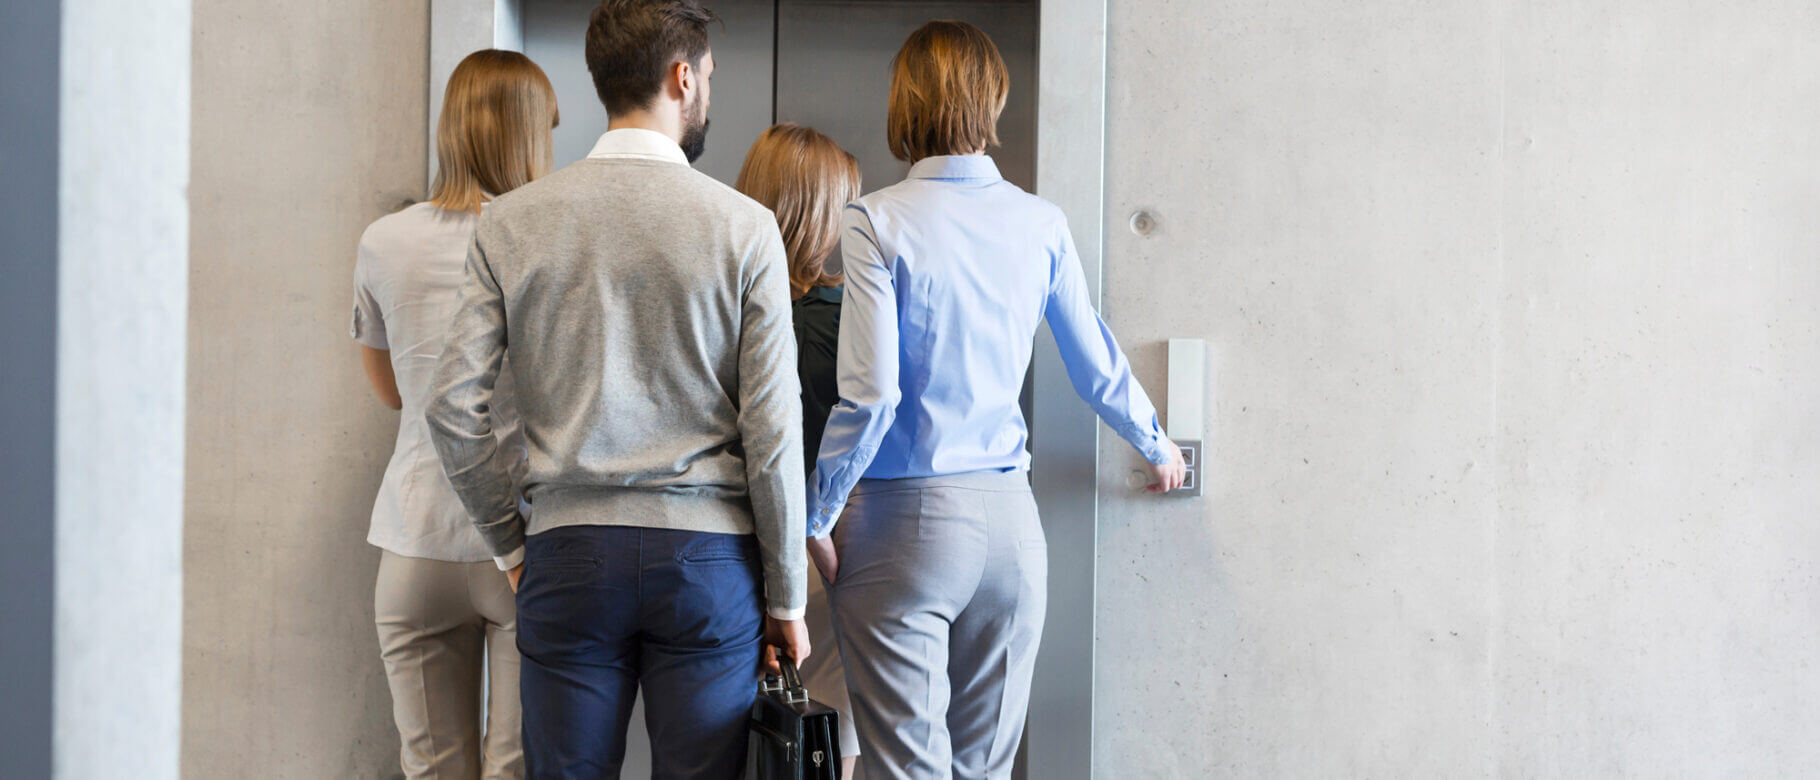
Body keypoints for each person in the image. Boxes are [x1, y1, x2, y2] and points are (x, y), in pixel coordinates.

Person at [423, 1, 811, 777]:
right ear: (681, 76)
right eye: (706, 77)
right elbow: (772, 433)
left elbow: (450, 405)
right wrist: (787, 598)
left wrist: (511, 541)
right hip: (709, 562)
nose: (706, 91)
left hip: (568, 552)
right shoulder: (744, 228)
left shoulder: (511, 222)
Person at [805, 20, 1188, 780]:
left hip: (901, 527)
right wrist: (1158, 443)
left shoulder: (875, 219)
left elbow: (873, 392)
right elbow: (1094, 361)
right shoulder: (1040, 222)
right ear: (992, 99)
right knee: (982, 773)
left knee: (906, 770)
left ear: (904, 102)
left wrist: (814, 516)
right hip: (1013, 530)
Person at [351, 48, 557, 779]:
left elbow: (394, 392)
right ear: (531, 134)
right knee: (517, 769)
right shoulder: (544, 236)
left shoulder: (383, 241)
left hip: (416, 541)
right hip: (527, 545)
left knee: (432, 769)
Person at [734, 123, 863, 777]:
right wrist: (821, 542)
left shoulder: (726, 305)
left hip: (730, 553)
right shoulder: (839, 318)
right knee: (825, 737)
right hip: (821, 554)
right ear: (817, 213)